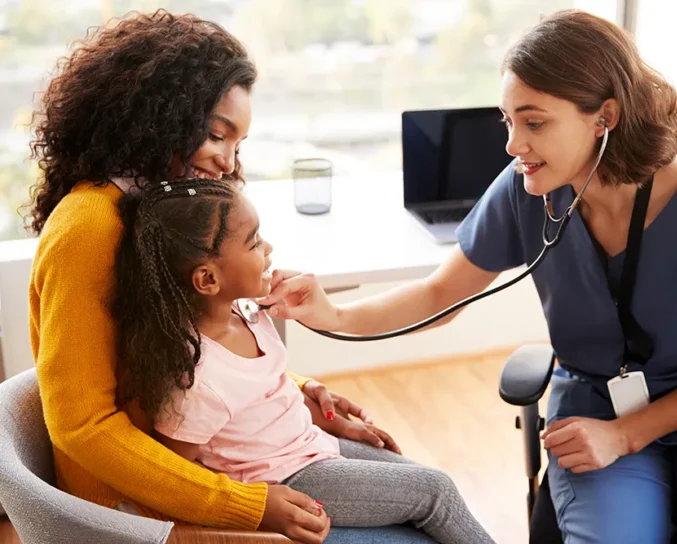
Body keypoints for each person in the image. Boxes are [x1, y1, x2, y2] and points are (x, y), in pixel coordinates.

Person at [257, 9, 677, 544]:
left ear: (605, 117)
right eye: (508, 120)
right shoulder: (529, 192)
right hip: (595, 405)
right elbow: (440, 294)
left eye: (535, 122)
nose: (512, 145)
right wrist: (330, 314)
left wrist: (629, 433)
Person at [26, 10, 433, 544]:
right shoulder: (89, 227)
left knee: (419, 498)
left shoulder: (156, 214)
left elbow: (193, 365)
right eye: (218, 135)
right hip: (135, 513)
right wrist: (245, 505)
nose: (226, 162)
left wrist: (302, 393)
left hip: (205, 465)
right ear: (160, 115)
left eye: (237, 145)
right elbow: (84, 428)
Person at [109, 177, 495, 544]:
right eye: (254, 243)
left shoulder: (247, 312)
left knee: (424, 482)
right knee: (436, 490)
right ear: (208, 280)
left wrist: (333, 421)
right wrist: (255, 511)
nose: (269, 249)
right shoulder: (200, 381)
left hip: (312, 445)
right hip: (288, 477)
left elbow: (271, 396)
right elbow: (178, 474)